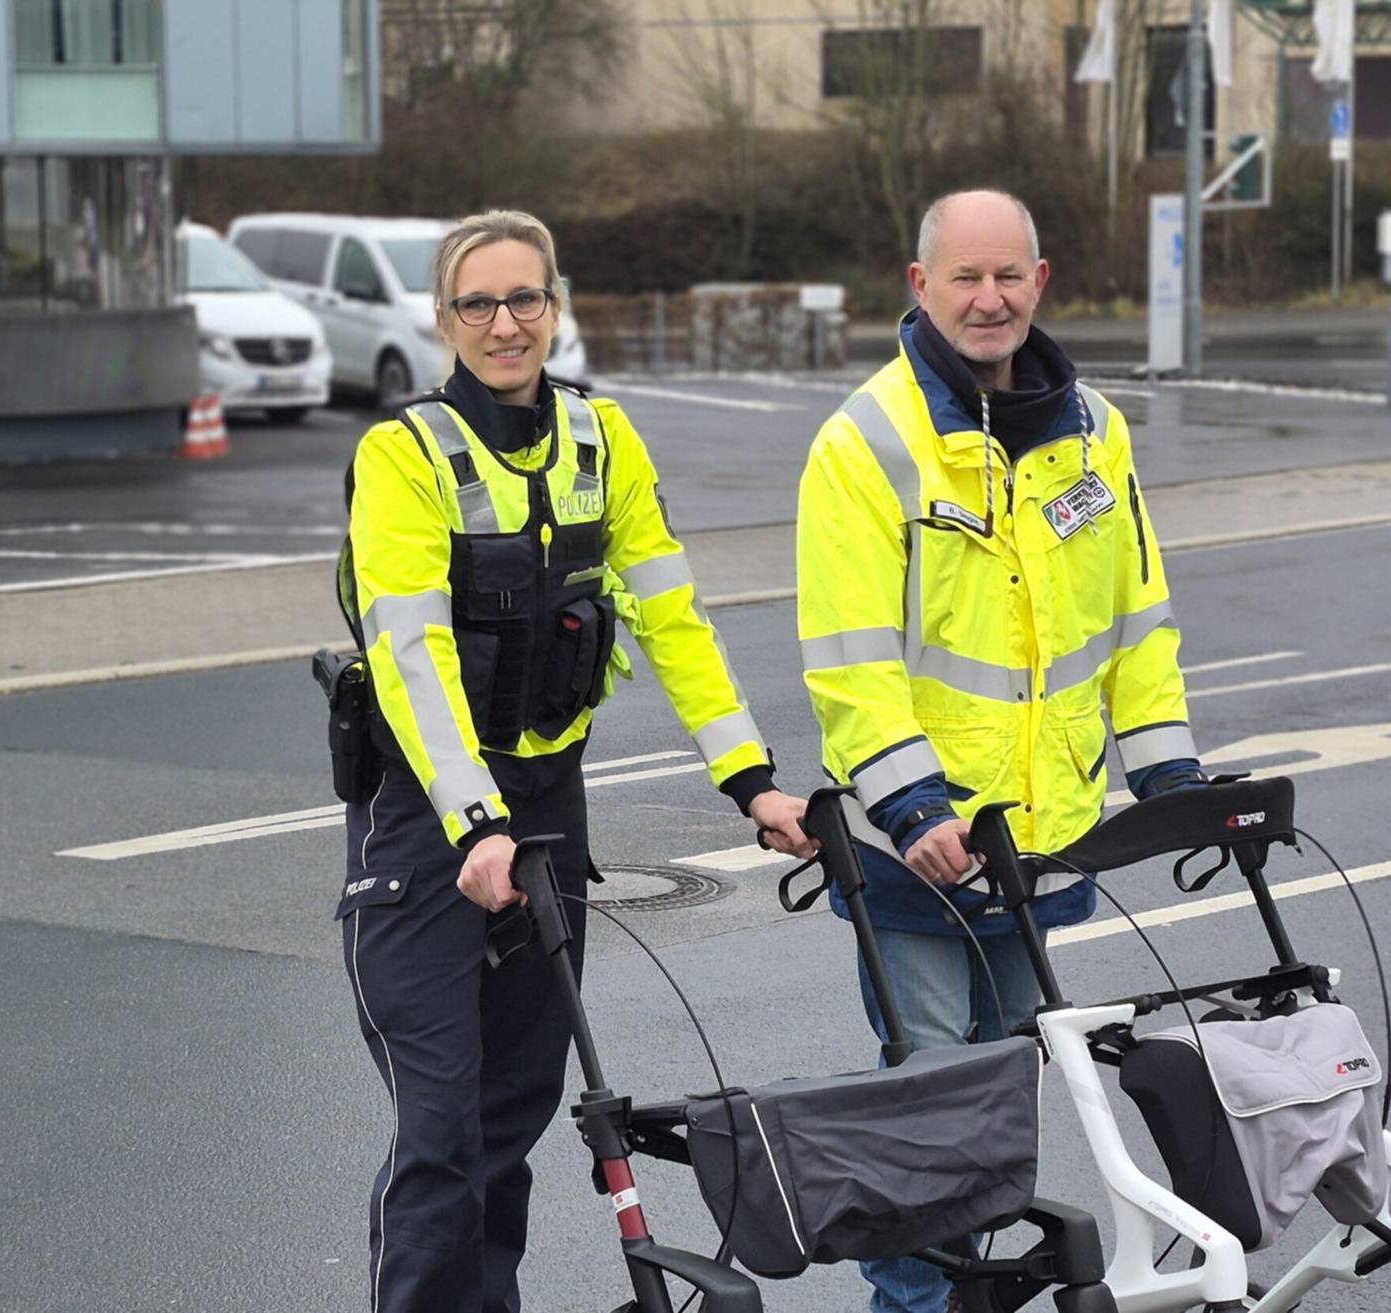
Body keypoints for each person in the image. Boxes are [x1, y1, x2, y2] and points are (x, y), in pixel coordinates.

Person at [336, 208, 815, 1313]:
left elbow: (672, 617)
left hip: (546, 809)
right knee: (442, 1127)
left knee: (509, 1117)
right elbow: (411, 653)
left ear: (556, 305)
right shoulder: (402, 455)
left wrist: (750, 779)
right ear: (445, 317)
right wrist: (472, 817)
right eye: (479, 304)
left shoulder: (604, 437)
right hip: (428, 824)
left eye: (526, 299)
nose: (506, 324)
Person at [794, 189, 1206, 1313]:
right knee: (933, 1099)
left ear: (1042, 280)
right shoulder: (867, 439)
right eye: (966, 278)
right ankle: (917, 1304)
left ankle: (969, 1291)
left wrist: (1169, 778)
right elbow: (848, 654)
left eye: (1009, 275)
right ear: (919, 286)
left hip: (1046, 837)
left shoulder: (1094, 432)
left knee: (1005, 1087)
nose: (990, 298)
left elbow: (1135, 620)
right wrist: (911, 802)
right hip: (915, 845)